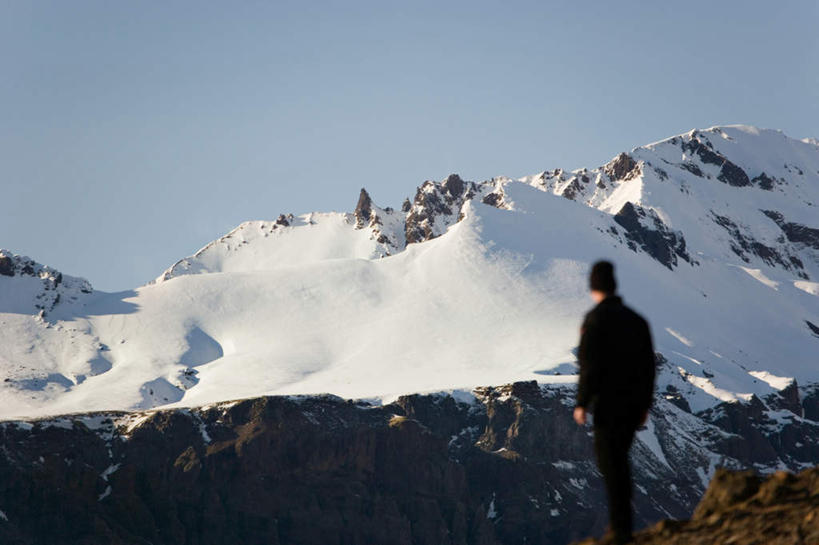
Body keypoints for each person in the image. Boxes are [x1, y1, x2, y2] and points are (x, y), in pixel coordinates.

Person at [573, 260, 655, 545]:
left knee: (611, 465)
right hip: (633, 406)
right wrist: (645, 405)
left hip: (608, 406)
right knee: (621, 461)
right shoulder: (637, 320)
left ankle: (620, 530)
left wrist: (582, 403)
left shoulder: (594, 321)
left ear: (593, 286)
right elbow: (648, 367)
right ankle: (623, 526)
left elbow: (589, 365)